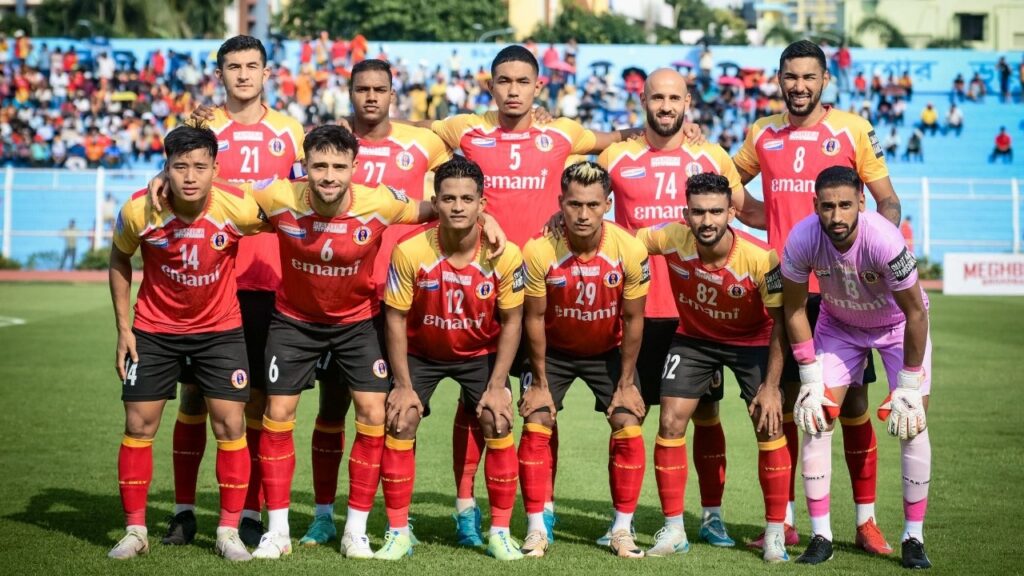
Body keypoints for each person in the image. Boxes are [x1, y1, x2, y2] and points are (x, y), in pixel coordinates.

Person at [422, 45, 692, 546]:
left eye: (522, 82)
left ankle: (542, 510)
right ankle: (466, 509)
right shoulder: (466, 129)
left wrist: (679, 131)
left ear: (538, 87)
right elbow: (416, 135)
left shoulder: (561, 133)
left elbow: (620, 137)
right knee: (476, 403)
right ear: (490, 85)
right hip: (487, 286)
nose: (513, 91)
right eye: (504, 81)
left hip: (546, 291)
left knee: (540, 406)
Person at [732, 40, 901, 553]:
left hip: (839, 291)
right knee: (783, 403)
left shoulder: (852, 129)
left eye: (809, 77)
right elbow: (726, 184)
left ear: (825, 80)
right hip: (783, 290)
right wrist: (761, 216)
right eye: (791, 76)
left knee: (852, 404)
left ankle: (866, 522)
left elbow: (888, 202)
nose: (799, 86)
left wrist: (875, 258)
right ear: (779, 80)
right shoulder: (762, 133)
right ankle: (783, 521)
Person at [597, 67, 760, 548]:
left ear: (688, 102)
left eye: (674, 98)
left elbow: (748, 210)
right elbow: (579, 198)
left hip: (697, 317)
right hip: (635, 312)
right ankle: (622, 521)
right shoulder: (615, 156)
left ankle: (711, 517)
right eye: (657, 98)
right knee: (626, 414)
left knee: (706, 415)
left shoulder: (710, 155)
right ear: (643, 101)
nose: (666, 107)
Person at [296, 58, 451, 548]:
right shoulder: (329, 142)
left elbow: (461, 187)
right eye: (361, 89)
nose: (370, 97)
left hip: (404, 298)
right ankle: (323, 514)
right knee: (332, 407)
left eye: (379, 89)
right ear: (349, 92)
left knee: (397, 411)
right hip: (342, 298)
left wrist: (485, 217)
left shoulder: (423, 142)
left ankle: (394, 519)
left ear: (391, 94)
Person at [168, 36, 306, 550]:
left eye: (252, 66)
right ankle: (183, 512)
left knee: (257, 402)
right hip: (207, 283)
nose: (243, 74)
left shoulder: (290, 131)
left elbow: (305, 198)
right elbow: (171, 188)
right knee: (194, 397)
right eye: (233, 66)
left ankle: (249, 512)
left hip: (270, 283)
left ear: (267, 73)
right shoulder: (202, 129)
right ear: (219, 74)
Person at [107, 124, 267, 562]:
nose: (191, 176)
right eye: (180, 167)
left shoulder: (238, 206)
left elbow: (292, 206)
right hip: (154, 331)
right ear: (166, 168)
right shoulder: (140, 210)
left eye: (200, 166)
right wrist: (123, 328)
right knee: (138, 425)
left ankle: (228, 532)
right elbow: (120, 256)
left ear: (216, 169)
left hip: (219, 331)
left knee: (230, 426)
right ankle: (135, 530)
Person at [782, 165, 933, 569]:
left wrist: (909, 384)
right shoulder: (802, 238)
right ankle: (821, 536)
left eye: (845, 205)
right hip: (839, 326)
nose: (836, 216)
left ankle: (913, 538)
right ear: (815, 205)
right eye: (827, 206)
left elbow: (916, 314)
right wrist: (809, 376)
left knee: (913, 422)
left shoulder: (884, 240)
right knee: (815, 416)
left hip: (897, 328)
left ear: (862, 203)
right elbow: (794, 309)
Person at [637, 172, 791, 563]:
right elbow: (625, 241)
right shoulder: (672, 237)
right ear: (686, 213)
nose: (707, 221)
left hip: (753, 341)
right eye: (699, 212)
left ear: (732, 213)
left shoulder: (761, 258)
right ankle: (674, 530)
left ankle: (776, 534)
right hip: (694, 339)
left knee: (769, 423)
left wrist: (772, 386)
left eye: (716, 212)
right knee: (670, 420)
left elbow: (781, 324)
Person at [377, 156, 524, 561]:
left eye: (466, 199)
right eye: (448, 199)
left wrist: (498, 385)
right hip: (422, 352)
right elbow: (394, 317)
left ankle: (499, 532)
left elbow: (513, 321)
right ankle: (398, 531)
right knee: (401, 417)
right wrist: (402, 385)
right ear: (435, 201)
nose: (458, 206)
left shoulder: (504, 255)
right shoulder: (409, 251)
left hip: (478, 352)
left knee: (497, 416)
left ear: (482, 204)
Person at [516, 162, 649, 559]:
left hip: (606, 351)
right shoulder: (539, 250)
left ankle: (621, 530)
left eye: (593, 204)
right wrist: (540, 383)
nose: (584, 214)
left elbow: (633, 319)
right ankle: (537, 527)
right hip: (552, 352)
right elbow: (534, 318)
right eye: (575, 204)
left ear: (607, 204)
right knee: (537, 417)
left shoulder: (629, 249)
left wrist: (626, 383)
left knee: (627, 419)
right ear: (561, 203)